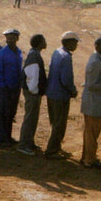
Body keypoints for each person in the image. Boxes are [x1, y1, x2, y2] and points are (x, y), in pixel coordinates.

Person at [79, 37, 101, 169]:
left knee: (92, 133)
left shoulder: (100, 60)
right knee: (91, 133)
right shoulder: (95, 62)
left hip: (96, 103)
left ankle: (88, 157)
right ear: (97, 46)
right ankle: (89, 160)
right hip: (93, 103)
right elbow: (92, 85)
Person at [44, 31, 80, 159]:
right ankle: (51, 150)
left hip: (51, 93)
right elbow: (66, 79)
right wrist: (73, 90)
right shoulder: (66, 57)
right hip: (60, 95)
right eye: (75, 42)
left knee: (55, 122)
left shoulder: (57, 52)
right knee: (59, 123)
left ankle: (55, 146)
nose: (76, 45)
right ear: (69, 42)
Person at [16, 34, 48, 155]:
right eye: (44, 40)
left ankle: (29, 142)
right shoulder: (34, 56)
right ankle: (23, 145)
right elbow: (32, 77)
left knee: (33, 118)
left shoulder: (34, 54)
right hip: (32, 92)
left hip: (33, 92)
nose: (45, 42)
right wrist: (35, 92)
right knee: (29, 118)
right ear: (40, 42)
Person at [0, 29, 23, 146]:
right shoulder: (2, 53)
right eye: (8, 38)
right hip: (5, 88)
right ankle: (1, 137)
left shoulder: (18, 52)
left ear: (17, 39)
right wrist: (3, 86)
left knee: (11, 112)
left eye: (13, 38)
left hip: (15, 87)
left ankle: (8, 136)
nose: (10, 40)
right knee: (3, 112)